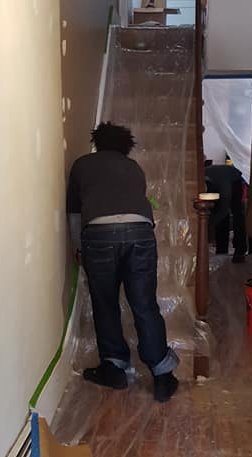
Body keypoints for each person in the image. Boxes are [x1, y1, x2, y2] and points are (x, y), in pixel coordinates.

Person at [66, 122, 179, 402]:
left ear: (97, 143)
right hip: (140, 233)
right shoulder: (134, 168)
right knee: (144, 303)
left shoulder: (82, 164)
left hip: (99, 234)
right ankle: (162, 375)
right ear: (125, 146)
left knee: (105, 302)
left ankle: (114, 367)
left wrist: (79, 247)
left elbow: (74, 213)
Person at [204, 156, 248, 263]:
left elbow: (223, 210)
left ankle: (240, 249)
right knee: (219, 215)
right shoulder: (202, 179)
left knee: (237, 213)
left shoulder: (224, 190)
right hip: (220, 179)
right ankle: (221, 250)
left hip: (234, 179)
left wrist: (208, 223)